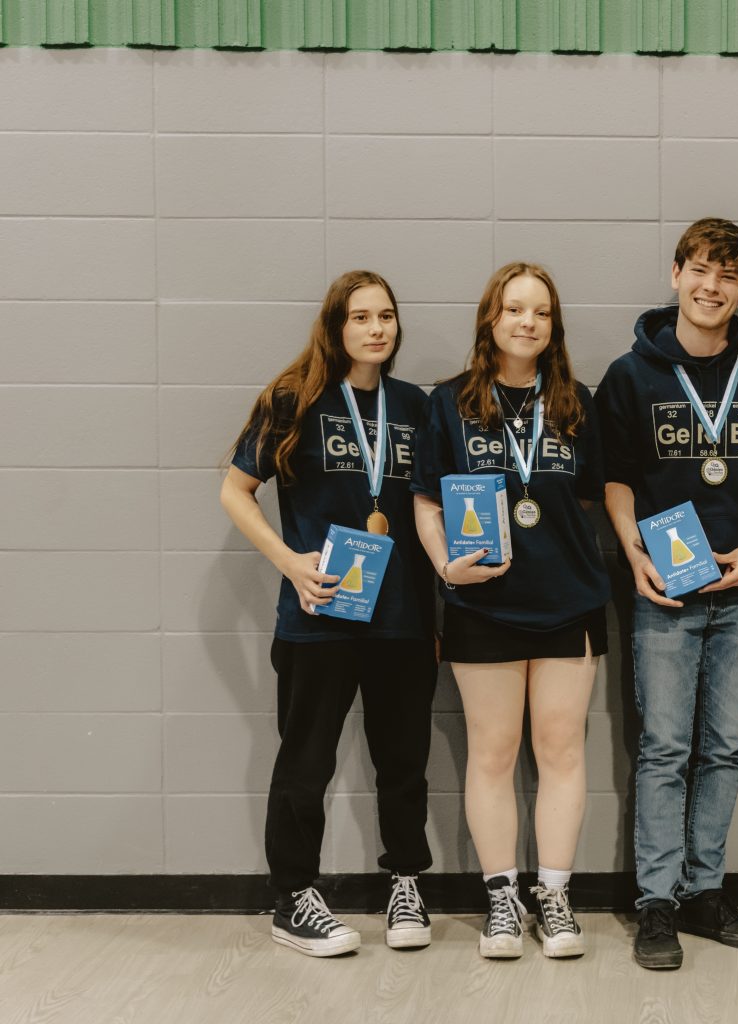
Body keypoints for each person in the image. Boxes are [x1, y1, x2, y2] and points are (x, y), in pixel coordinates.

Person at [220, 271, 436, 957]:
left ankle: (406, 884)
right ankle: (293, 898)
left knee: (404, 761)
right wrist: (289, 561)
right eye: (361, 317)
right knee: (305, 762)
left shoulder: (415, 406)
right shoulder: (294, 399)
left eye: (387, 317)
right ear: (335, 326)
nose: (377, 329)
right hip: (319, 615)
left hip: (401, 617)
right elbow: (235, 490)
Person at [596, 219, 738, 969]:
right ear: (676, 273)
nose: (712, 287)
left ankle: (705, 893)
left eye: (729, 277)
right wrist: (635, 554)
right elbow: (615, 477)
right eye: (701, 270)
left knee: (725, 748)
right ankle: (654, 903)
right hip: (665, 590)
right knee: (664, 748)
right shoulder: (630, 374)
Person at [411, 262, 609, 960]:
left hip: (570, 602)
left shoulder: (576, 402)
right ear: (490, 319)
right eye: (515, 309)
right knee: (492, 754)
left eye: (542, 312)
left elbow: (593, 498)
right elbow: (427, 500)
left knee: (560, 751)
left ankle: (553, 896)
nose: (528, 322)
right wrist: (444, 564)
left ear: (555, 326)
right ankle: (501, 897)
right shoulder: (449, 403)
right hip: (482, 603)